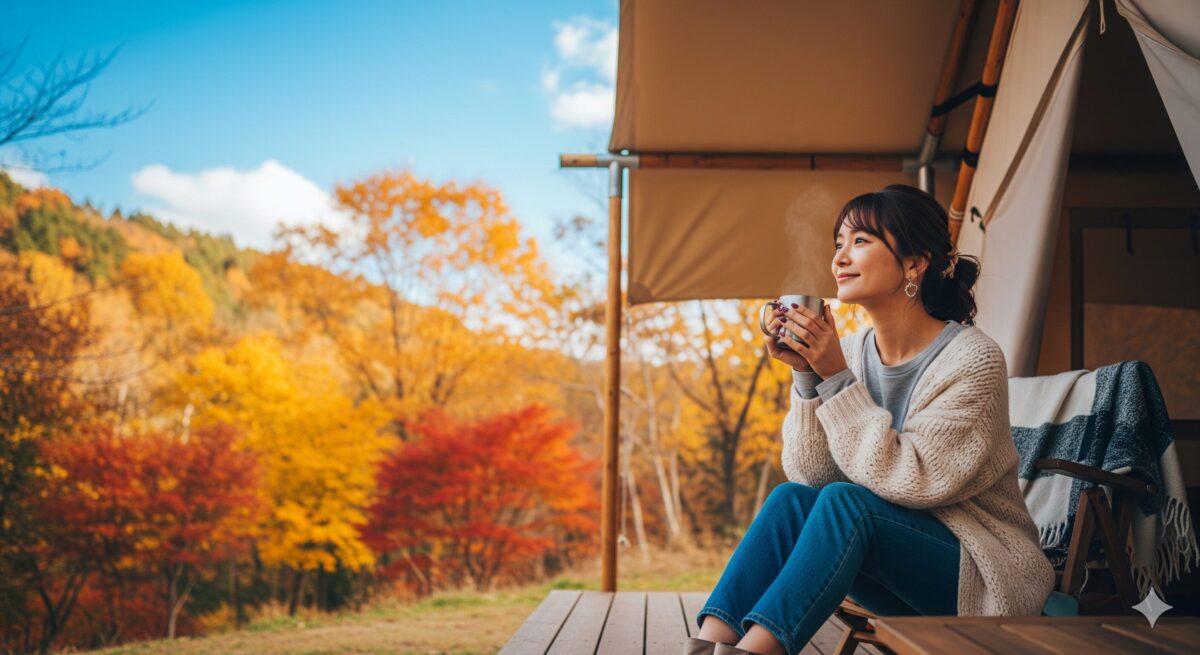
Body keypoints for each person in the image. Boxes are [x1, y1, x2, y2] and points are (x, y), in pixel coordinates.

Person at [683, 185, 1055, 655]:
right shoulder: (855, 352)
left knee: (846, 504)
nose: (840, 257)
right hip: (892, 564)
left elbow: (915, 480)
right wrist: (806, 376)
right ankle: (706, 646)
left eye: (861, 241)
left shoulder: (972, 359)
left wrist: (836, 378)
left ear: (915, 263)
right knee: (791, 499)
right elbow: (814, 476)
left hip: (982, 575)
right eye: (839, 243)